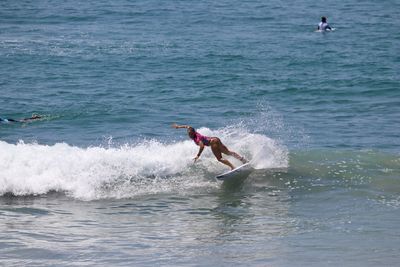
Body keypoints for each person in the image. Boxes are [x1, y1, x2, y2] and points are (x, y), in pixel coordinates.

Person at [172, 123, 247, 170]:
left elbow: (202, 146)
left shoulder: (197, 138)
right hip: (215, 139)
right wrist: (178, 127)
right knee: (228, 152)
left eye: (191, 134)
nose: (190, 136)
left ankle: (232, 167)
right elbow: (187, 126)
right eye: (189, 134)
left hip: (213, 143)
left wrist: (198, 155)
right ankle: (242, 160)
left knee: (219, 159)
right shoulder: (193, 130)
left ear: (193, 133)